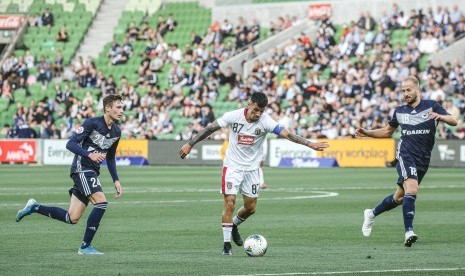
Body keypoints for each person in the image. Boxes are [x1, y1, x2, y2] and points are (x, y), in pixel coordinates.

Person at [179, 92, 329, 256]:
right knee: (230, 203)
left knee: (250, 208)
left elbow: (288, 135)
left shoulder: (266, 121)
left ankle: (234, 225)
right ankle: (226, 246)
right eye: (256, 109)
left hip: (252, 169)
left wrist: (310, 144)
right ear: (249, 104)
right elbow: (210, 128)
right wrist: (190, 144)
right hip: (232, 167)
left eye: (261, 111)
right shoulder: (233, 116)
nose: (258, 114)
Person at [15, 94, 124, 255]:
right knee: (101, 202)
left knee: (72, 217)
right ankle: (85, 247)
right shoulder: (92, 123)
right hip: (82, 167)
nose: (122, 110)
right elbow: (70, 143)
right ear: (108, 108)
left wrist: (116, 180)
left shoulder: (117, 131)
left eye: (122, 107)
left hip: (92, 171)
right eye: (119, 107)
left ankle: (34, 207)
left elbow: (110, 157)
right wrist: (89, 155)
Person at [356, 76, 457, 247]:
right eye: (403, 90)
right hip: (405, 154)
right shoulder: (400, 111)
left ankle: (371, 213)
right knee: (412, 189)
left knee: (400, 197)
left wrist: (440, 116)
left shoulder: (431, 105)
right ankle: (409, 231)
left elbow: (453, 121)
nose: (405, 93)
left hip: (423, 158)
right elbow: (388, 131)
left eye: (408, 90)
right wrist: (367, 132)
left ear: (417, 90)